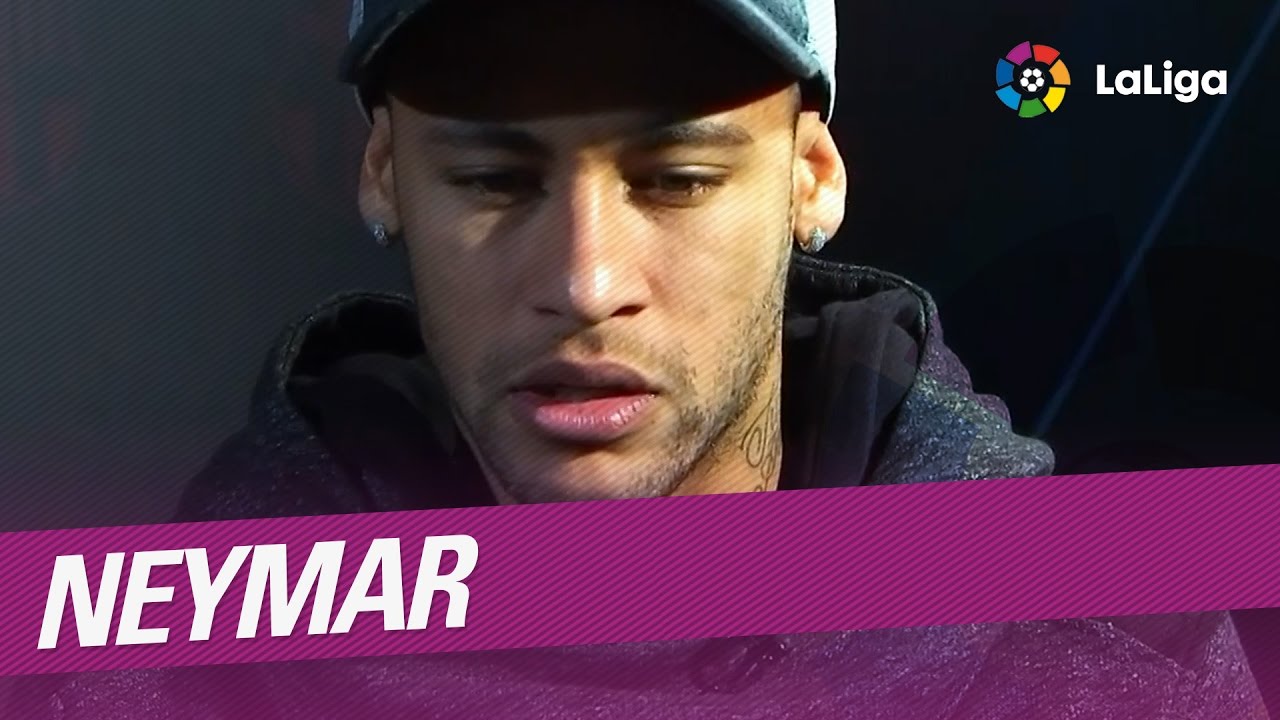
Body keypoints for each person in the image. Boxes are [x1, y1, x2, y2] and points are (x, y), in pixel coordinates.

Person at [14, 0, 1267, 717]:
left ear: (810, 178)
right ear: (384, 173)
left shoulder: (1108, 650)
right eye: (493, 180)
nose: (583, 283)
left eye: (674, 178)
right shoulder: (156, 665)